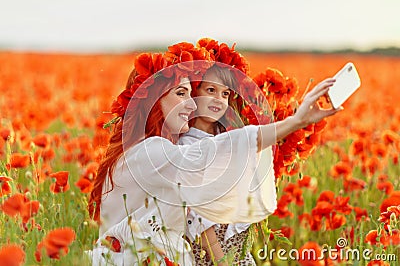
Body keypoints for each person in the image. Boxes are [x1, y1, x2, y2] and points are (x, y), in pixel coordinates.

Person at [88, 41, 341, 266]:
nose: (190, 104)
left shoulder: (149, 150)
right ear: (154, 100)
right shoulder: (151, 152)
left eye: (191, 93)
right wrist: (296, 121)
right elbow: (213, 152)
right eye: (181, 94)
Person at [178, 64, 257, 266]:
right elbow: (196, 215)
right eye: (210, 90)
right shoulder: (185, 146)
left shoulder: (227, 139)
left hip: (237, 248)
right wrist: (220, 260)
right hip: (209, 252)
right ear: (194, 92)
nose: (218, 99)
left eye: (225, 94)